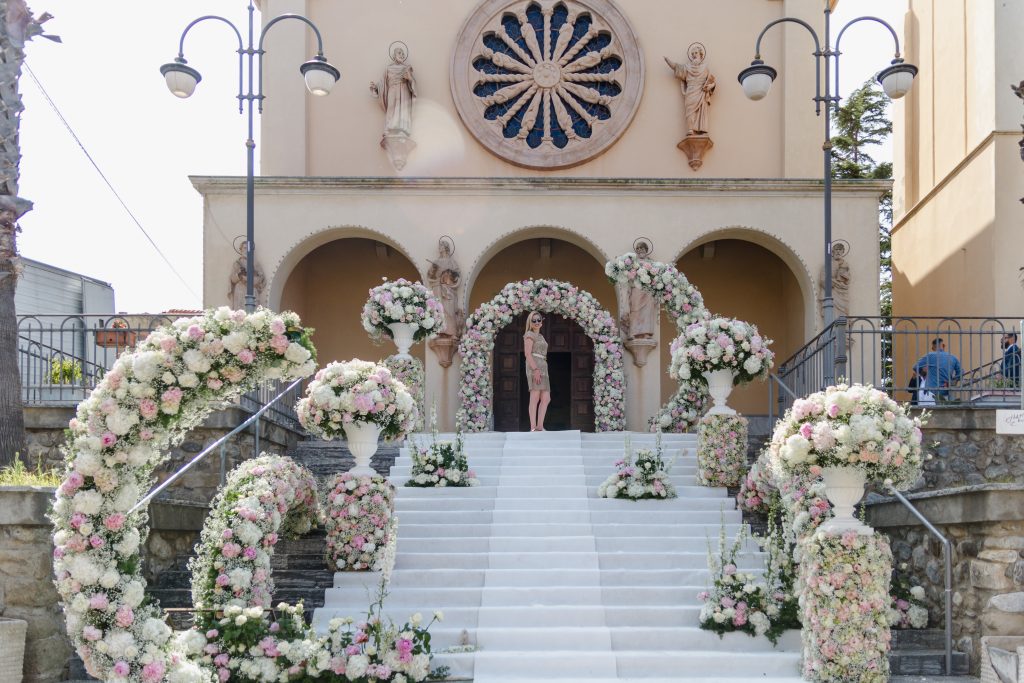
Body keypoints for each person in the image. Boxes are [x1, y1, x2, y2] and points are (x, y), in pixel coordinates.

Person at [523, 311, 550, 432]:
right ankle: (533, 427)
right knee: (535, 396)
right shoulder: (529, 334)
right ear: (530, 322)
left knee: (546, 398)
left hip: (543, 365)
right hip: (535, 365)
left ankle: (540, 426)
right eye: (534, 320)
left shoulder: (541, 336)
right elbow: (527, 354)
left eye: (539, 320)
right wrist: (535, 370)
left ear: (541, 321)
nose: (537, 322)